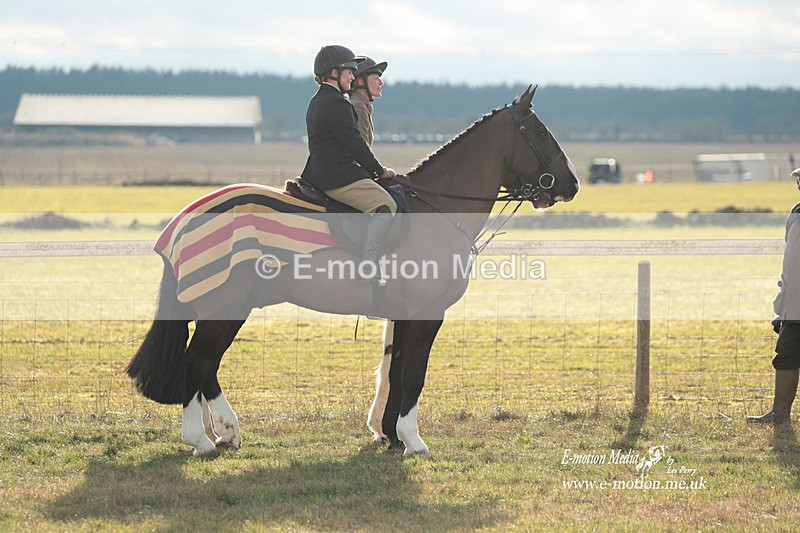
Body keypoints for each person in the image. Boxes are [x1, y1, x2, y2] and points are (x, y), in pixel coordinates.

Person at [301, 45, 397, 285]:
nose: (353, 77)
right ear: (335, 72)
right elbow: (356, 145)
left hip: (323, 173)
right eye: (350, 72)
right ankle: (370, 262)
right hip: (338, 178)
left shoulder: (319, 100)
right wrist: (379, 171)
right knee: (386, 204)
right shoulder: (336, 103)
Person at [747, 168, 800, 425]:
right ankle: (779, 415)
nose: (799, 185)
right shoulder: (795, 214)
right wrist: (783, 301)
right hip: (794, 305)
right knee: (786, 358)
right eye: (799, 180)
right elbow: (790, 261)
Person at [348, 56, 387, 147]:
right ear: (361, 81)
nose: (381, 82)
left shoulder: (359, 104)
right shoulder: (358, 106)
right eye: (376, 78)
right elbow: (362, 149)